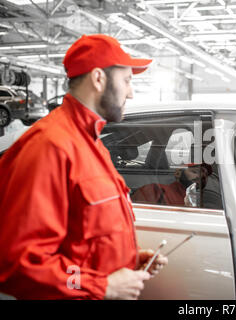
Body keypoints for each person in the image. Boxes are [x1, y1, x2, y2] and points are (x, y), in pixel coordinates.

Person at [0, 34, 168, 300]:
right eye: (126, 81)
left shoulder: (92, 145)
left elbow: (81, 237)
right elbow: (18, 263)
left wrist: (125, 259)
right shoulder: (49, 147)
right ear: (98, 78)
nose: (131, 92)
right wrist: (102, 286)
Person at [132, 163, 213, 207]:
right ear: (178, 173)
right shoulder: (156, 190)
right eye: (194, 172)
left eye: (203, 177)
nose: (199, 177)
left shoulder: (206, 204)